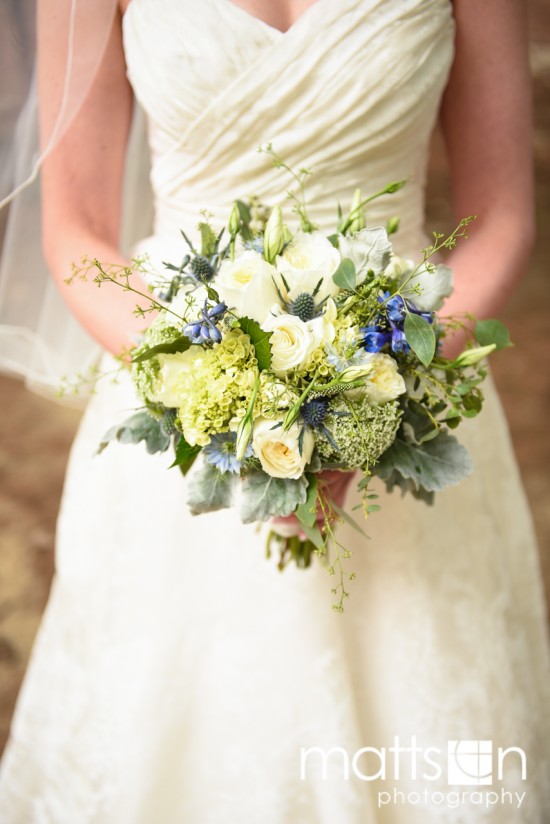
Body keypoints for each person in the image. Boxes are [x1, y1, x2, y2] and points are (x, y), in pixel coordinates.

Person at [1, 0, 549, 821]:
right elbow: (76, 233)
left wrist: (377, 396)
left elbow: (500, 215)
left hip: (409, 397)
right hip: (179, 421)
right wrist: (222, 403)